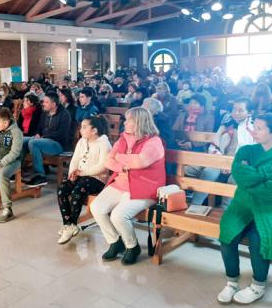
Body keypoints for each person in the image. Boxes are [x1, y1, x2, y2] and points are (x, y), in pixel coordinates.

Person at [216, 113, 272, 305]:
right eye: (254, 127)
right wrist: (268, 173)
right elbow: (240, 176)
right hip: (243, 205)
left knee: (259, 238)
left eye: (259, 128)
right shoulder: (245, 151)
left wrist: (254, 180)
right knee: (227, 234)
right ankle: (231, 281)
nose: (254, 132)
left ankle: (258, 285)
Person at [90, 107, 166, 265]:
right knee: (96, 207)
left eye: (129, 119)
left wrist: (120, 157)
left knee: (118, 215)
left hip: (145, 187)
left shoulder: (154, 141)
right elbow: (108, 161)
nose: (125, 122)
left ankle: (132, 246)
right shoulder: (123, 138)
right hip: (121, 183)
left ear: (139, 122)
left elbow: (141, 162)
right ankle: (115, 242)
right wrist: (124, 166)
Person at [187, 98, 253, 208]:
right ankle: (194, 206)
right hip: (221, 159)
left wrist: (230, 164)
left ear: (249, 112)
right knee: (210, 172)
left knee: (236, 178)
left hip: (240, 164)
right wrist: (221, 161)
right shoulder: (226, 123)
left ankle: (224, 211)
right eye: (234, 109)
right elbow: (215, 144)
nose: (236, 113)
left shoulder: (252, 127)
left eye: (241, 110)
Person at [56, 116, 112, 245]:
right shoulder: (82, 141)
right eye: (81, 127)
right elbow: (75, 159)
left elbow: (102, 167)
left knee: (77, 190)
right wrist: (72, 172)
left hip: (97, 179)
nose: (81, 130)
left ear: (94, 130)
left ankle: (72, 224)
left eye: (84, 127)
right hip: (81, 176)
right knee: (62, 189)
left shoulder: (104, 143)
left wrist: (82, 172)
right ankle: (68, 224)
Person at [24, 93, 73, 187]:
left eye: (46, 102)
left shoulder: (64, 114)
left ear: (54, 104)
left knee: (33, 143)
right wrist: (38, 133)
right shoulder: (45, 113)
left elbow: (62, 134)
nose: (43, 104)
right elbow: (39, 127)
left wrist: (44, 136)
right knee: (22, 140)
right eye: (43, 102)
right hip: (44, 140)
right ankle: (18, 171)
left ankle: (40, 175)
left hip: (58, 144)